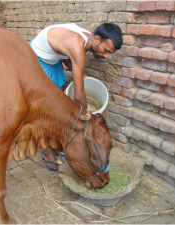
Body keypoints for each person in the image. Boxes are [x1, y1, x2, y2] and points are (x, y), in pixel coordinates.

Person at [30, 23, 122, 171]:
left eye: (109, 53)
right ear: (97, 39)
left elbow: (67, 56)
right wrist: (86, 117)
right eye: (106, 51)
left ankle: (53, 142)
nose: (106, 56)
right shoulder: (78, 46)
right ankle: (47, 151)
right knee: (44, 110)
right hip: (36, 60)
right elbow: (79, 95)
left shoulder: (86, 37)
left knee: (55, 108)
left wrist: (83, 76)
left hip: (53, 59)